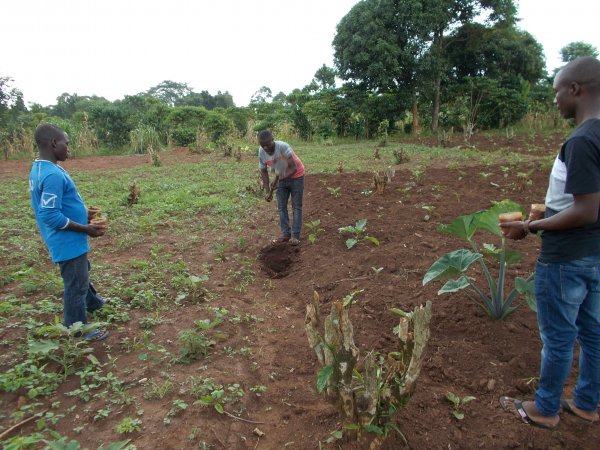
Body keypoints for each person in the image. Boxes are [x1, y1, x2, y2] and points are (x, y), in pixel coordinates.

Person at [499, 56, 600, 428]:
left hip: (566, 259)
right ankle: (588, 403)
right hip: (594, 254)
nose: (555, 99)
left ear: (576, 90)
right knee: (593, 333)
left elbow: (585, 210)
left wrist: (530, 227)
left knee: (558, 338)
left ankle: (545, 409)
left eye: (557, 91)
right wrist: (548, 213)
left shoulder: (582, 140)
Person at [29, 124, 109, 341]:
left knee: (82, 271)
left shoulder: (41, 168)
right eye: (66, 143)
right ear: (54, 143)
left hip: (66, 239)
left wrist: (85, 213)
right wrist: (86, 228)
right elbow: (49, 214)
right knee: (76, 284)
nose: (69, 148)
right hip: (67, 240)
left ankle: (94, 303)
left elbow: (58, 205)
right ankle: (77, 329)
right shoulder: (52, 175)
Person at [258, 130, 305, 245]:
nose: (267, 149)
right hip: (282, 177)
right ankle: (286, 233)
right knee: (281, 207)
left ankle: (295, 236)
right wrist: (268, 191)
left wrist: (280, 179)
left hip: (297, 176)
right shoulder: (261, 152)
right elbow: (263, 171)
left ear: (273, 140)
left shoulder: (283, 146)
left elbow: (293, 168)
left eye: (268, 145)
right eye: (263, 147)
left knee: (296, 206)